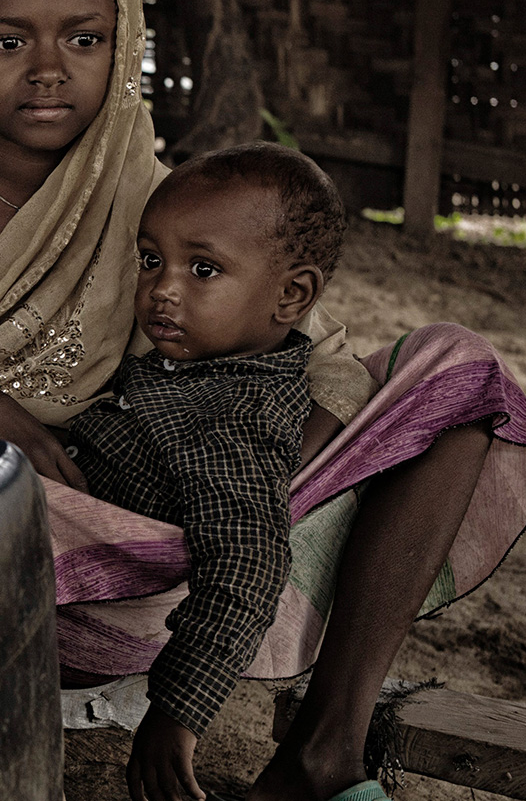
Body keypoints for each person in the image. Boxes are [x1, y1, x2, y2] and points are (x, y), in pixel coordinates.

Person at [0, 0, 526, 800]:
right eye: (7, 42)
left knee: (455, 370)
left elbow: (314, 350)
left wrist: (251, 467)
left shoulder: (155, 199)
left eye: (84, 39)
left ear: (125, 45)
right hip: (8, 523)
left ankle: (324, 749)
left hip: (187, 532)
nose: (48, 70)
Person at [58, 142, 348, 754]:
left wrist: (177, 713)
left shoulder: (235, 417)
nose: (163, 289)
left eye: (203, 270)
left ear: (292, 297)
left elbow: (246, 566)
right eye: (151, 260)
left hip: (95, 602)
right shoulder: (185, 367)